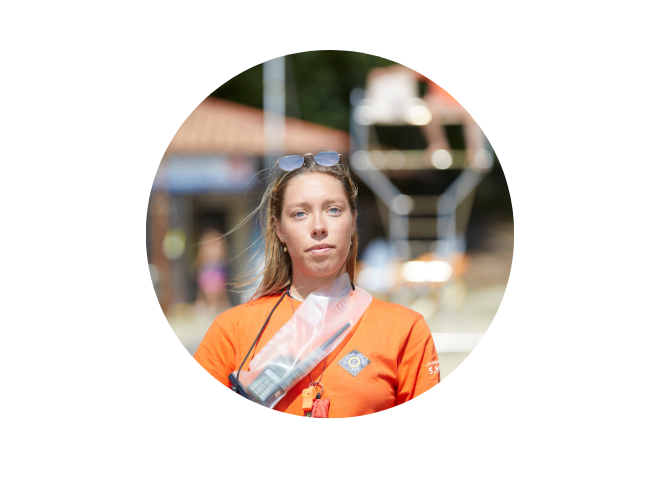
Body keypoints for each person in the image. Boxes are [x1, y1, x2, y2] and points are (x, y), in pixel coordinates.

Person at [193, 151, 440, 418]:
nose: (318, 226)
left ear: (353, 221)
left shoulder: (405, 330)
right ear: (279, 229)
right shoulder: (232, 331)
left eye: (333, 210)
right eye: (300, 213)